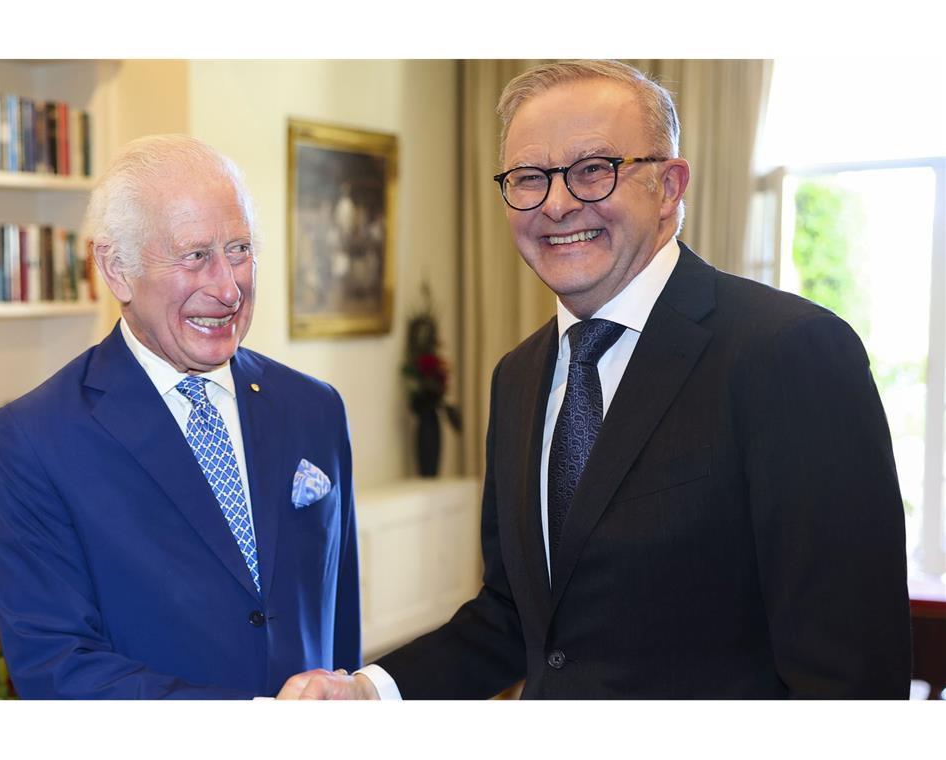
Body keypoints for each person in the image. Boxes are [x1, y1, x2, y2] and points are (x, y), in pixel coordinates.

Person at [279, 60, 910, 699]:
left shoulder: (789, 353)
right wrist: (369, 691)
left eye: (592, 170)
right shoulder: (518, 377)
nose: (556, 204)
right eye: (529, 177)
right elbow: (518, 618)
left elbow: (851, 677)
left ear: (669, 186)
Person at [0, 135, 361, 699]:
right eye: (196, 256)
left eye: (239, 249)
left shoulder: (315, 408)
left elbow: (341, 633)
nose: (228, 287)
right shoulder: (37, 438)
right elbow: (57, 668)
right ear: (117, 269)